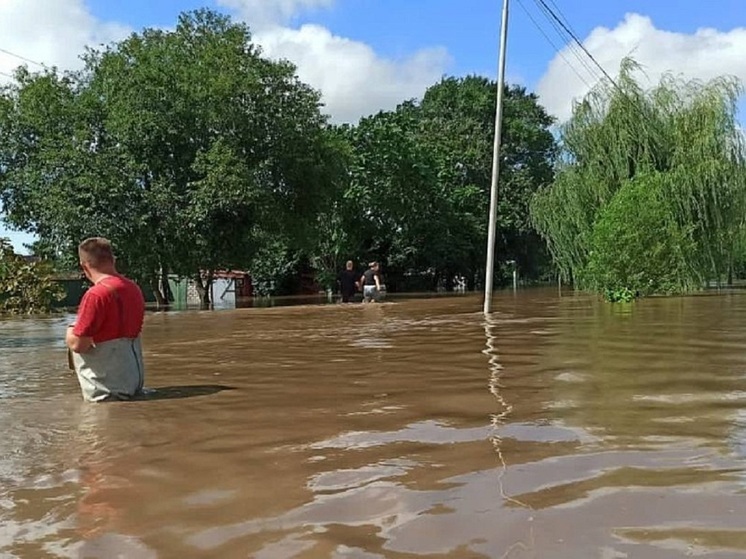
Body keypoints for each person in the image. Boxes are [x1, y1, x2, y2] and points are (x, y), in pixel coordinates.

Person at [65, 237, 146, 402]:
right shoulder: (133, 288)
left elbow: (78, 345)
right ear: (112, 260)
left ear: (84, 266)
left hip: (106, 392)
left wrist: (70, 330)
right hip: (133, 383)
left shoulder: (96, 295)